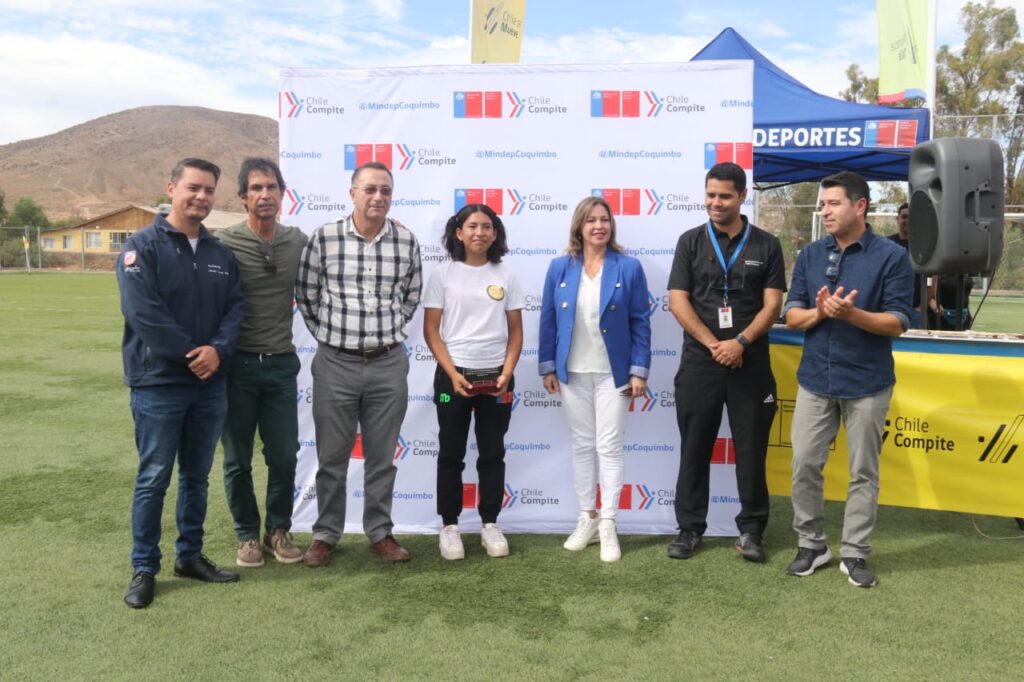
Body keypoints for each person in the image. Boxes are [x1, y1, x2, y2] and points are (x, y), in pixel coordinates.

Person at [117, 158, 245, 608]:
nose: (201, 197)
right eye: (193, 187)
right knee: (154, 477)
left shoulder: (220, 253)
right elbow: (143, 313)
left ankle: (189, 557)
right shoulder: (141, 247)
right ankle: (143, 567)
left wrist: (218, 350)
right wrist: (195, 354)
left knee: (197, 476)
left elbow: (235, 309)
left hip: (210, 383)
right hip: (159, 382)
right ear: (171, 188)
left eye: (209, 190)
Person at [784, 171, 913, 588]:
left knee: (863, 472)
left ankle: (855, 553)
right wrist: (823, 313)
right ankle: (812, 544)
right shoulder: (809, 255)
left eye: (832, 203)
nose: (824, 211)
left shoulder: (892, 257)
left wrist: (850, 315)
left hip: (868, 383)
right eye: (822, 205)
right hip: (814, 381)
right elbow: (793, 316)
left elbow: (897, 322)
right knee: (805, 463)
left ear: (860, 206)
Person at [295, 161, 422, 566]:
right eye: (369, 189)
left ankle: (380, 533)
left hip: (387, 365)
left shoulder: (405, 241)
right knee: (332, 457)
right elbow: (308, 295)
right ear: (352, 193)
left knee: (381, 458)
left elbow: (410, 295)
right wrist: (335, 340)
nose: (378, 197)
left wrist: (384, 333)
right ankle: (326, 534)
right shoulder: (325, 238)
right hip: (335, 363)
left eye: (385, 190)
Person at [666, 162, 786, 563]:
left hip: (749, 365)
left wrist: (740, 342)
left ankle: (752, 531)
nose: (715, 203)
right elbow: (677, 300)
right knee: (694, 448)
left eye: (724, 196)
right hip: (701, 364)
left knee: (751, 451)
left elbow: (773, 304)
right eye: (710, 195)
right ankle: (689, 529)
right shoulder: (690, 242)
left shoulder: (767, 244)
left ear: (742, 196)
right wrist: (715, 343)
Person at [539, 195, 652, 563]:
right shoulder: (560, 268)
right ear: (579, 227)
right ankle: (586, 517)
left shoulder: (629, 267)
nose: (598, 226)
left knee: (609, 446)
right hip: (572, 371)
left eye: (604, 219)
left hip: (613, 374)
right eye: (591, 220)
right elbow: (548, 321)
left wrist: (639, 370)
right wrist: (548, 366)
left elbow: (640, 322)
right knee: (582, 445)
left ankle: (608, 523)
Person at [215, 158, 307, 568]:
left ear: (282, 194)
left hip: (281, 366)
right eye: (256, 188)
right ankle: (246, 536)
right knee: (237, 459)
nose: (265, 195)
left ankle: (278, 530)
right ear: (242, 197)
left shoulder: (297, 241)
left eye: (271, 187)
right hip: (236, 368)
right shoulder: (223, 243)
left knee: (284, 455)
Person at [422, 204, 524, 560]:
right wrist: (453, 374)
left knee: (493, 451)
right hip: (453, 378)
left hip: (497, 378)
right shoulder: (442, 274)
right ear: (458, 233)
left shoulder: (506, 275)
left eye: (487, 227)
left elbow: (515, 333)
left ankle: (490, 523)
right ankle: (449, 526)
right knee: (451, 452)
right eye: (472, 226)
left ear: (495, 234)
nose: (479, 232)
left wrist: (507, 372)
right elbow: (432, 331)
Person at [887, 202, 935, 328]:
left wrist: (921, 307)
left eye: (911, 217)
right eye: (904, 217)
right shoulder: (887, 245)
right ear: (897, 220)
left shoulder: (924, 246)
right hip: (891, 311)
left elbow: (932, 278)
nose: (907, 220)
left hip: (916, 312)